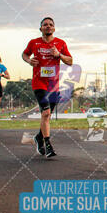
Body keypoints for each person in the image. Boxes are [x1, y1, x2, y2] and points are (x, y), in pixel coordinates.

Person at [22, 17, 73, 158]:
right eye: (45, 25)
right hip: (39, 83)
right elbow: (24, 54)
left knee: (47, 115)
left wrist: (59, 55)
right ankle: (47, 145)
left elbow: (70, 61)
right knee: (45, 113)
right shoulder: (34, 43)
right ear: (41, 28)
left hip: (53, 85)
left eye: (51, 25)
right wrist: (28, 60)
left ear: (54, 28)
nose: (48, 26)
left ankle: (38, 137)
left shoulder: (61, 43)